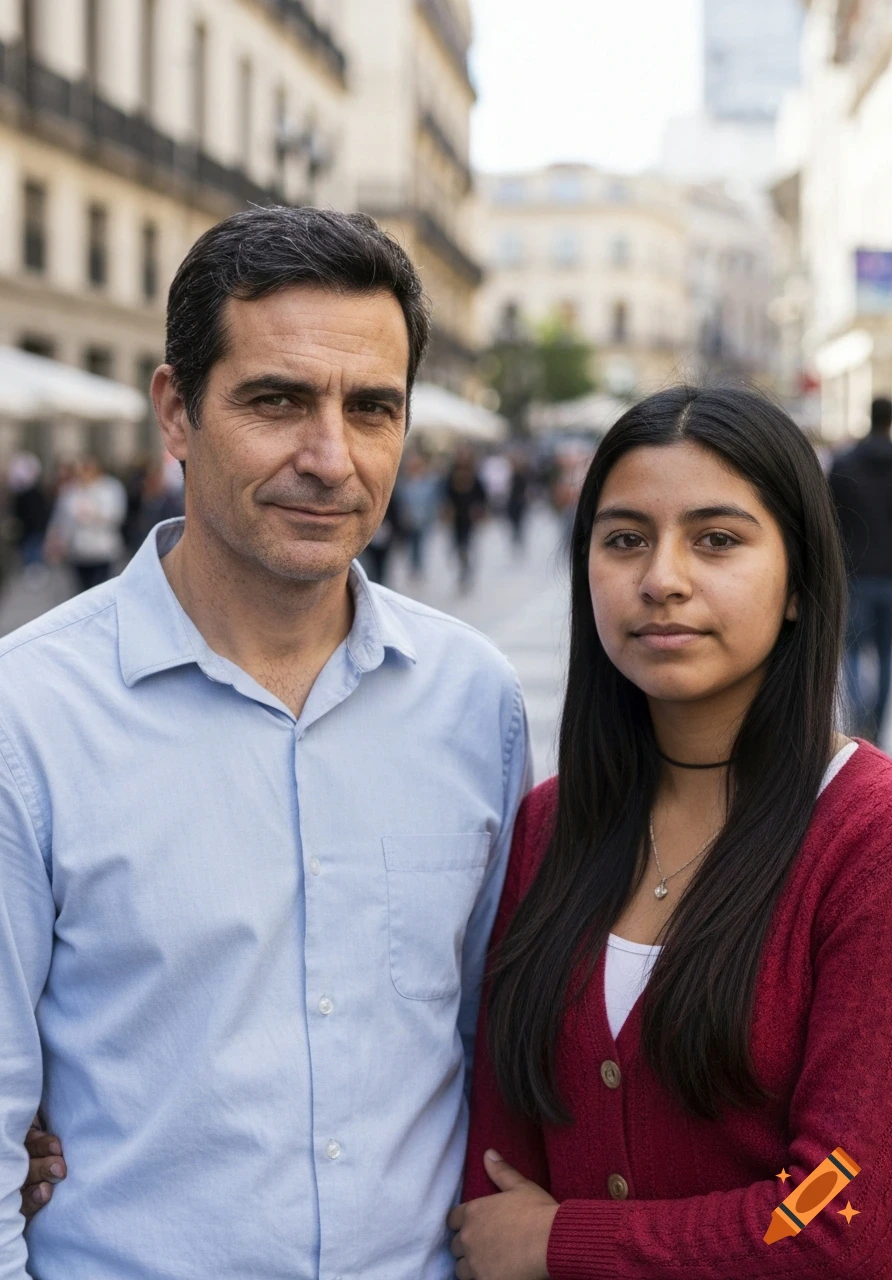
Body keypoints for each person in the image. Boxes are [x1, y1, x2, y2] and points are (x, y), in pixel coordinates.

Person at [0, 206, 530, 1279]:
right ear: (175, 411)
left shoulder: (474, 698)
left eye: (371, 408)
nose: (329, 457)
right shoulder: (30, 715)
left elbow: (489, 1041)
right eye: (278, 400)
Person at [451, 386, 892, 1279]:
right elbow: (496, 1160)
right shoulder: (551, 820)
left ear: (801, 583)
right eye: (624, 540)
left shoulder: (869, 839)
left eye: (717, 539)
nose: (662, 577)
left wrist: (563, 1242)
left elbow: (840, 1206)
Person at [829, 395, 892, 741]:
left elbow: (830, 521)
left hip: (855, 574)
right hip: (891, 578)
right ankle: (877, 731)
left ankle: (859, 727)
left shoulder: (845, 463)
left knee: (853, 651)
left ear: (869, 418)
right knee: (885, 655)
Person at [45, 455, 127, 591]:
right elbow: (61, 518)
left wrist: (94, 514)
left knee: (100, 589)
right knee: (81, 590)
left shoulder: (110, 488)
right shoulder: (71, 490)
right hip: (78, 550)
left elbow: (117, 515)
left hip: (102, 549)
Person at [444, 445, 488, 593]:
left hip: (469, 517)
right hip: (456, 517)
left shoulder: (474, 475)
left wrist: (479, 509)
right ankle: (463, 571)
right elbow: (446, 494)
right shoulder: (451, 474)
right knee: (458, 546)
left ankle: (466, 572)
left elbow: (482, 495)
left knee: (467, 546)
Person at [395, 450, 440, 577]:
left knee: (420, 543)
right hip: (409, 519)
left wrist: (432, 515)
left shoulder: (428, 481)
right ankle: (413, 566)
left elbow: (433, 500)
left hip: (423, 518)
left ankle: (419, 566)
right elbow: (400, 501)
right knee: (411, 544)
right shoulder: (404, 483)